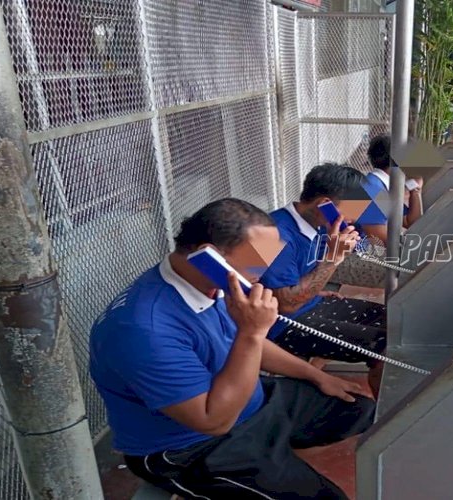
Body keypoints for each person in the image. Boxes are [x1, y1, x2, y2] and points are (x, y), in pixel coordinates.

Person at [89, 198, 375, 499]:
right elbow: (214, 420)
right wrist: (253, 331)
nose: (260, 278)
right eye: (254, 268)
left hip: (249, 398)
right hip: (192, 445)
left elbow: (251, 344)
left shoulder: (212, 283)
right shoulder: (141, 330)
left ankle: (279, 444)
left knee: (360, 411)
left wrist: (315, 375)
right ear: (209, 258)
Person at [259, 163, 388, 394]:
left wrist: (315, 290)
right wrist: (333, 258)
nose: (351, 220)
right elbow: (287, 305)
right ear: (324, 204)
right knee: (382, 347)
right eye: (349, 210)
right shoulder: (274, 234)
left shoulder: (320, 225)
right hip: (281, 324)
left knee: (390, 318)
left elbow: (285, 281)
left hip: (309, 302)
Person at [329, 134, 424, 289]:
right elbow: (387, 244)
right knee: (404, 270)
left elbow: (409, 222)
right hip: (333, 258)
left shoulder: (378, 185)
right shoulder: (373, 191)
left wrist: (416, 190)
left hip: (347, 249)